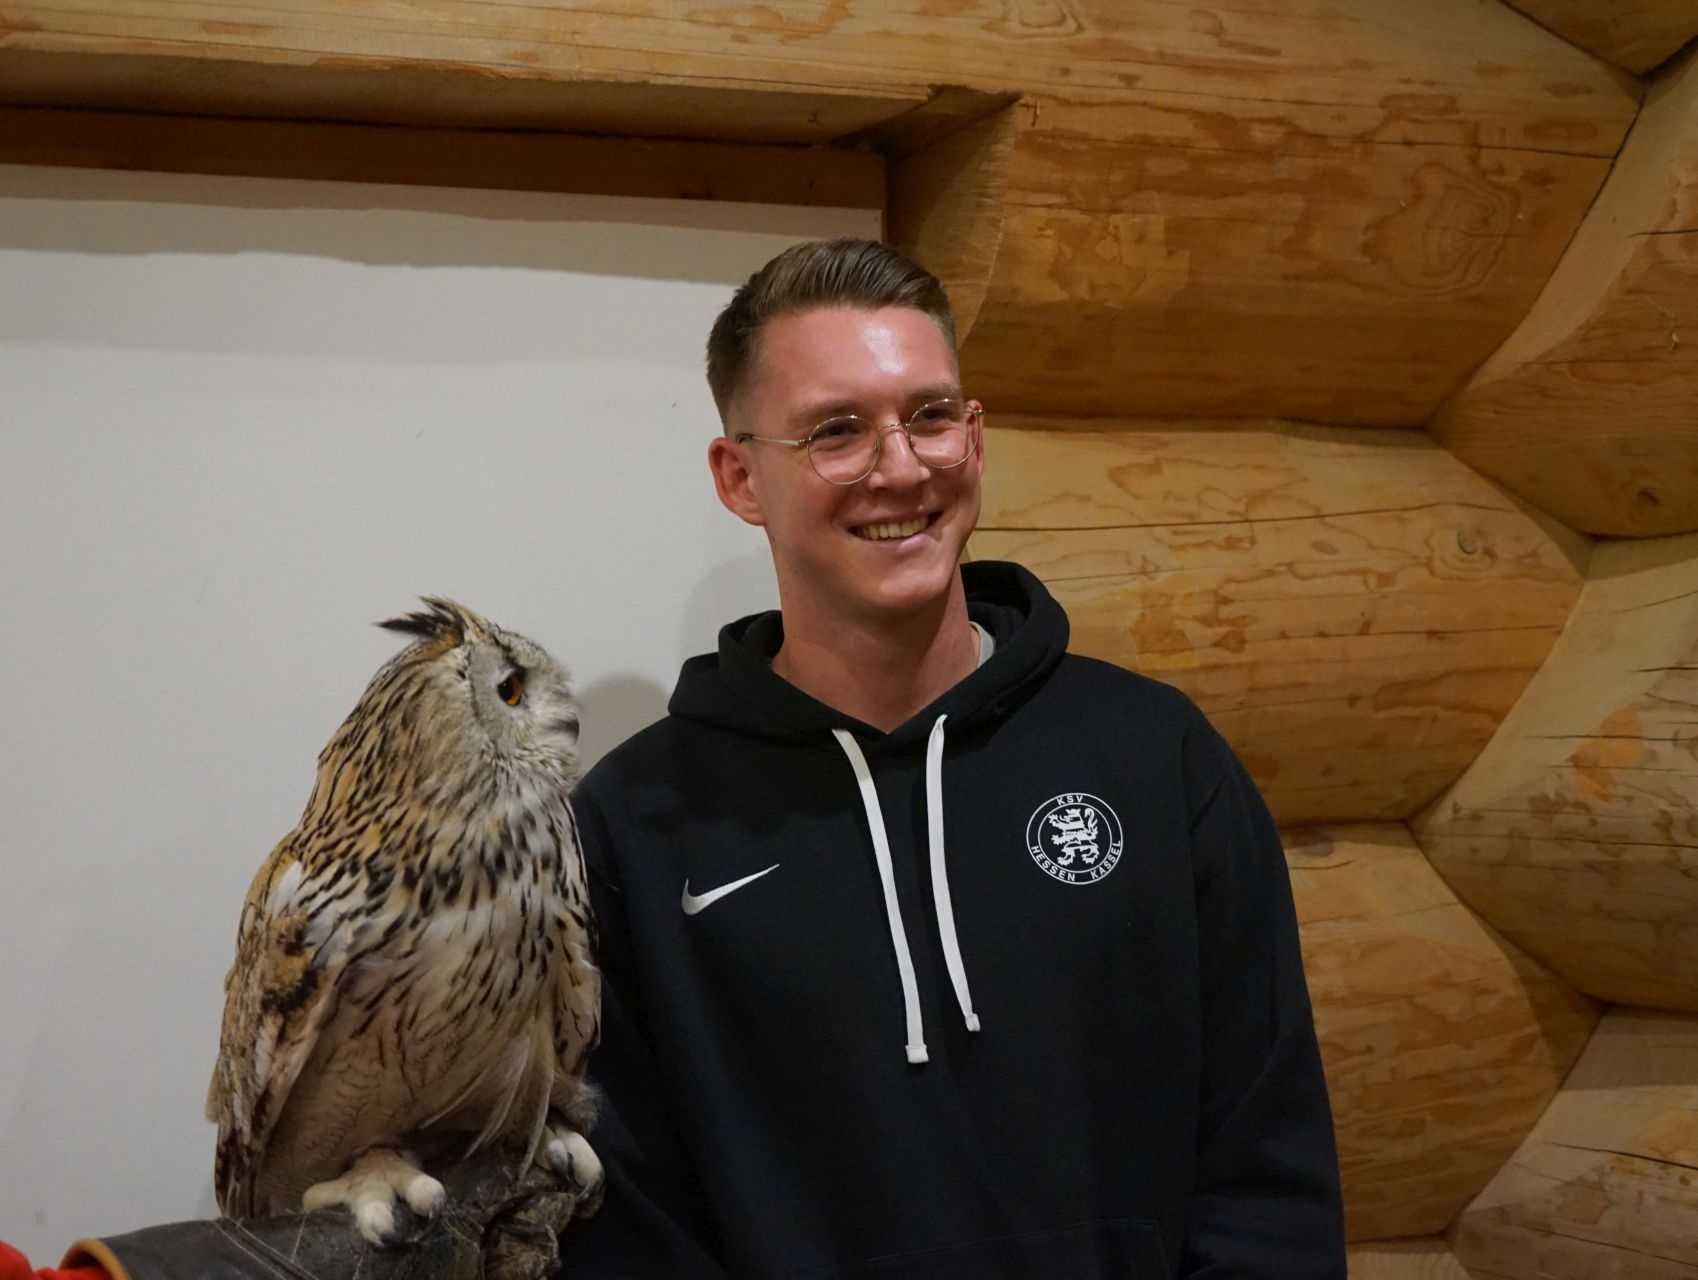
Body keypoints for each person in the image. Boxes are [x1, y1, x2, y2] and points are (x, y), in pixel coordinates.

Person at [559, 238, 1345, 1279]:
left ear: (972, 435)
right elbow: (626, 1221)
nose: (901, 467)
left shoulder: (1157, 758)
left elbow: (1266, 1172)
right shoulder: (634, 825)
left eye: (929, 415)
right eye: (837, 430)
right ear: (740, 477)